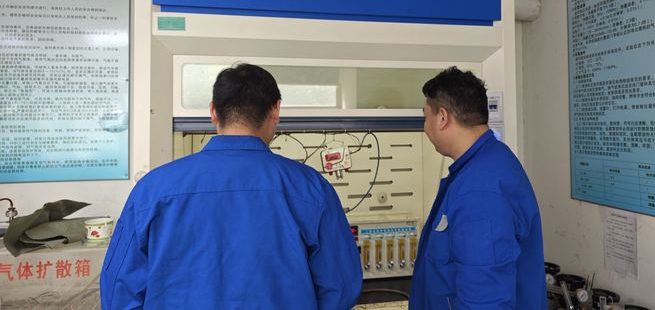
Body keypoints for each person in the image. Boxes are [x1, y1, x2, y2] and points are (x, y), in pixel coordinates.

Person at [100, 63, 362, 309]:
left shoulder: (152, 190)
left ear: (213, 111)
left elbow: (118, 289)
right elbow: (340, 288)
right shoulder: (310, 188)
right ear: (275, 111)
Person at [409, 67, 545, 309]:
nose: (425, 127)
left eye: (425, 117)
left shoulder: (480, 191)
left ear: (442, 118)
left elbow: (485, 300)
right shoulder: (488, 163)